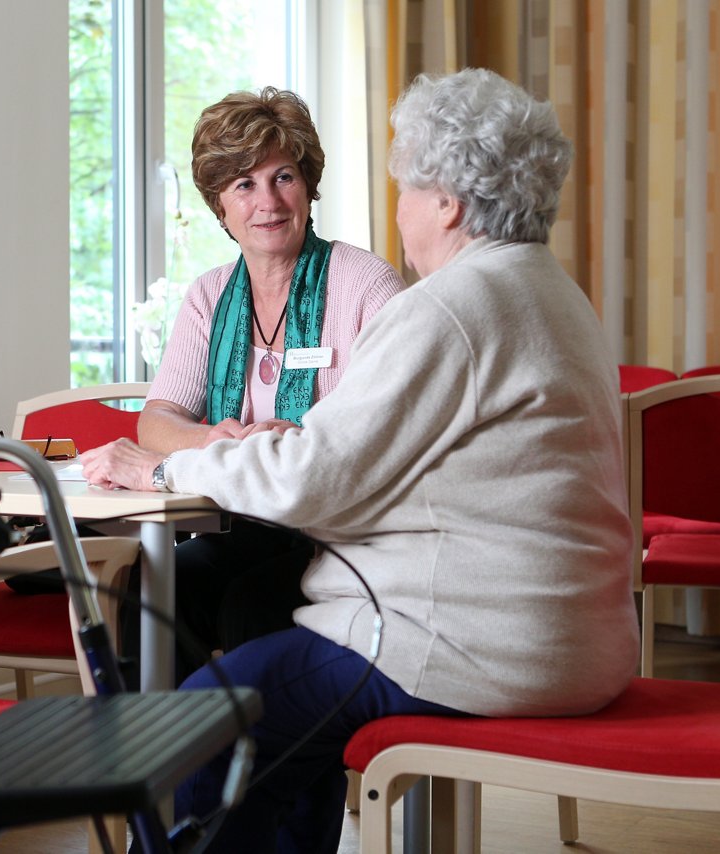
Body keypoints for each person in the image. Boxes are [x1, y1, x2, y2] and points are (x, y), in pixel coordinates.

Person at [81, 68, 640, 852]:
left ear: (445, 202)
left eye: (406, 187)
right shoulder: (549, 291)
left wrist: (165, 469)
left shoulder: (448, 307)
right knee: (220, 643)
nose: (400, 209)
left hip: (470, 644)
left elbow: (315, 476)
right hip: (563, 636)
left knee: (217, 714)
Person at [122, 87, 405, 683]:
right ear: (219, 206)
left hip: (342, 535)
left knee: (250, 607)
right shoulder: (208, 296)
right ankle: (158, 767)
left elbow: (380, 434)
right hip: (241, 522)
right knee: (151, 594)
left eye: (283, 177)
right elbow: (156, 420)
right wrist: (213, 440)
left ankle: (264, 772)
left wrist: (294, 441)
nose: (267, 202)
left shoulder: (366, 284)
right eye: (243, 186)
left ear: (308, 184)